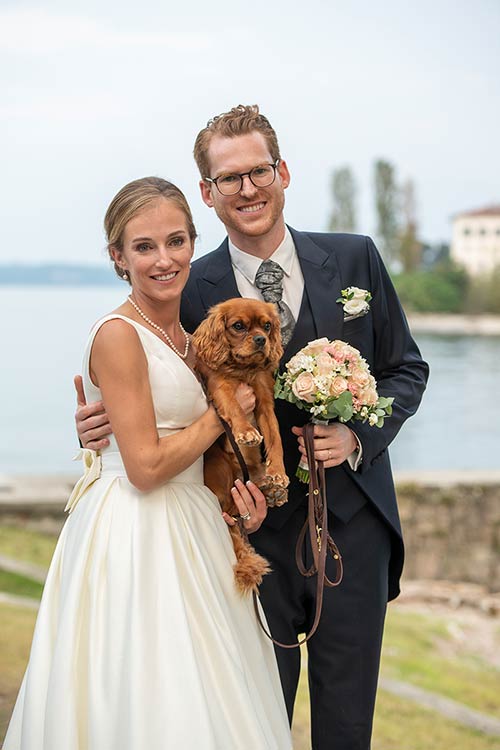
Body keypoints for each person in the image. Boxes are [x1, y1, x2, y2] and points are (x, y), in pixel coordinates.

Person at [76, 106, 429, 750]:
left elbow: (406, 370)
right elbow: (150, 382)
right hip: (241, 535)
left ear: (283, 172)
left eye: (258, 171)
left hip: (352, 533)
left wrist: (359, 437)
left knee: (348, 730)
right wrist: (98, 420)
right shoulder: (185, 283)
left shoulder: (356, 260)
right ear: (208, 194)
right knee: (251, 725)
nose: (248, 189)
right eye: (228, 178)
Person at [4, 177, 292, 750]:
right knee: (151, 694)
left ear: (192, 242)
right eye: (144, 246)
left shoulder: (191, 338)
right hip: (135, 534)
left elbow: (199, 454)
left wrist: (241, 506)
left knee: (214, 696)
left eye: (177, 240)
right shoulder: (117, 334)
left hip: (198, 529)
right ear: (118, 256)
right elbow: (143, 466)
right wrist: (225, 411)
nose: (165, 259)